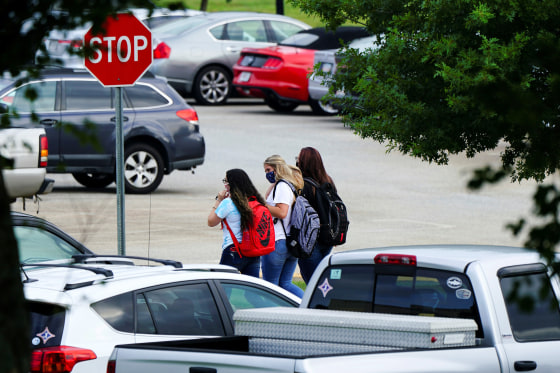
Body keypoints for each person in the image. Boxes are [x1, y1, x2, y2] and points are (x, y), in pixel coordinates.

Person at [208, 169, 265, 277]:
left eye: (225, 181)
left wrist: (218, 200)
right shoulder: (255, 201)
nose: (225, 185)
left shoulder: (228, 203)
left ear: (231, 184)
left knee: (223, 287)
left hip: (233, 250)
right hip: (253, 251)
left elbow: (211, 221)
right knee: (251, 290)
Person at [262, 154, 304, 297]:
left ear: (276, 168)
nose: (267, 174)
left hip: (277, 242)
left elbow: (282, 212)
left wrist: (262, 206)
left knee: (270, 287)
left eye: (268, 170)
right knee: (285, 284)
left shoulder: (282, 187)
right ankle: (307, 307)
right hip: (289, 243)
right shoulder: (287, 186)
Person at [296, 147, 337, 284]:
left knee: (313, 283)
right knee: (322, 280)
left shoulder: (303, 184)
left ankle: (316, 305)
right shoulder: (328, 181)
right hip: (327, 237)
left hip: (310, 240)